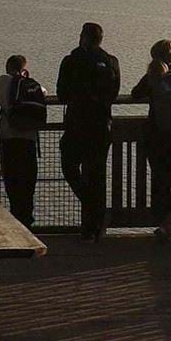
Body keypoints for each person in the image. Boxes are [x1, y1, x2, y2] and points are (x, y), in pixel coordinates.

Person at [56, 22, 120, 241]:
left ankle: (92, 214)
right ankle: (95, 225)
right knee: (97, 175)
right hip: (101, 126)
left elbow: (61, 93)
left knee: (69, 167)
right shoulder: (111, 62)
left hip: (76, 125)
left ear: (83, 37)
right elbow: (113, 93)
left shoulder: (71, 61)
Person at [130, 39, 171, 243]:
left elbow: (135, 94)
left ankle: (162, 223)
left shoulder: (152, 77)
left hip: (157, 137)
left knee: (160, 179)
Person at [0, 54, 43, 227]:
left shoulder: (4, 81)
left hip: (9, 139)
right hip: (29, 139)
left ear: (8, 68)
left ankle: (16, 221)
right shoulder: (31, 83)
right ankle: (27, 221)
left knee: (12, 183)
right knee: (28, 183)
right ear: (24, 69)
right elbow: (43, 93)